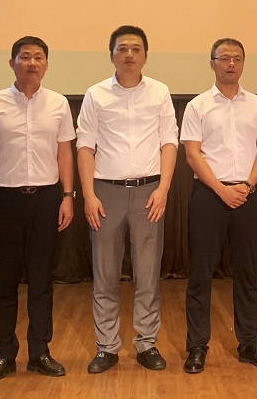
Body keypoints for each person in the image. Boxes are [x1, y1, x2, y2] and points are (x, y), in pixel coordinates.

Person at [0, 36, 76, 381]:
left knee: (42, 280)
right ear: (12, 63)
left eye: (38, 57)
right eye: (25, 57)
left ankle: (40, 351)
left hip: (46, 199)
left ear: (46, 64)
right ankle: (4, 352)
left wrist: (67, 196)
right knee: (4, 280)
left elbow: (64, 152)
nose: (32, 63)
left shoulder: (59, 103)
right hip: (4, 200)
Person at [76, 25, 178, 373]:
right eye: (122, 49)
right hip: (105, 192)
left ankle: (146, 343)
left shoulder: (160, 92)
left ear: (145, 56)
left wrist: (164, 188)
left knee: (147, 274)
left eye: (136, 48)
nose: (129, 54)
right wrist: (88, 195)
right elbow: (85, 145)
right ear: (112, 55)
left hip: (150, 192)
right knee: (105, 273)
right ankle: (106, 347)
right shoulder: (96, 94)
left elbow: (169, 141)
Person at [180, 39, 257, 374]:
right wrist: (221, 190)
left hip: (247, 194)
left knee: (248, 272)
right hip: (209, 195)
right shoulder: (198, 106)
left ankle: (249, 343)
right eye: (224, 58)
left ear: (243, 63)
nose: (231, 64)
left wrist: (247, 186)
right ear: (212, 63)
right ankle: (197, 347)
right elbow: (192, 154)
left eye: (237, 58)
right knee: (200, 273)